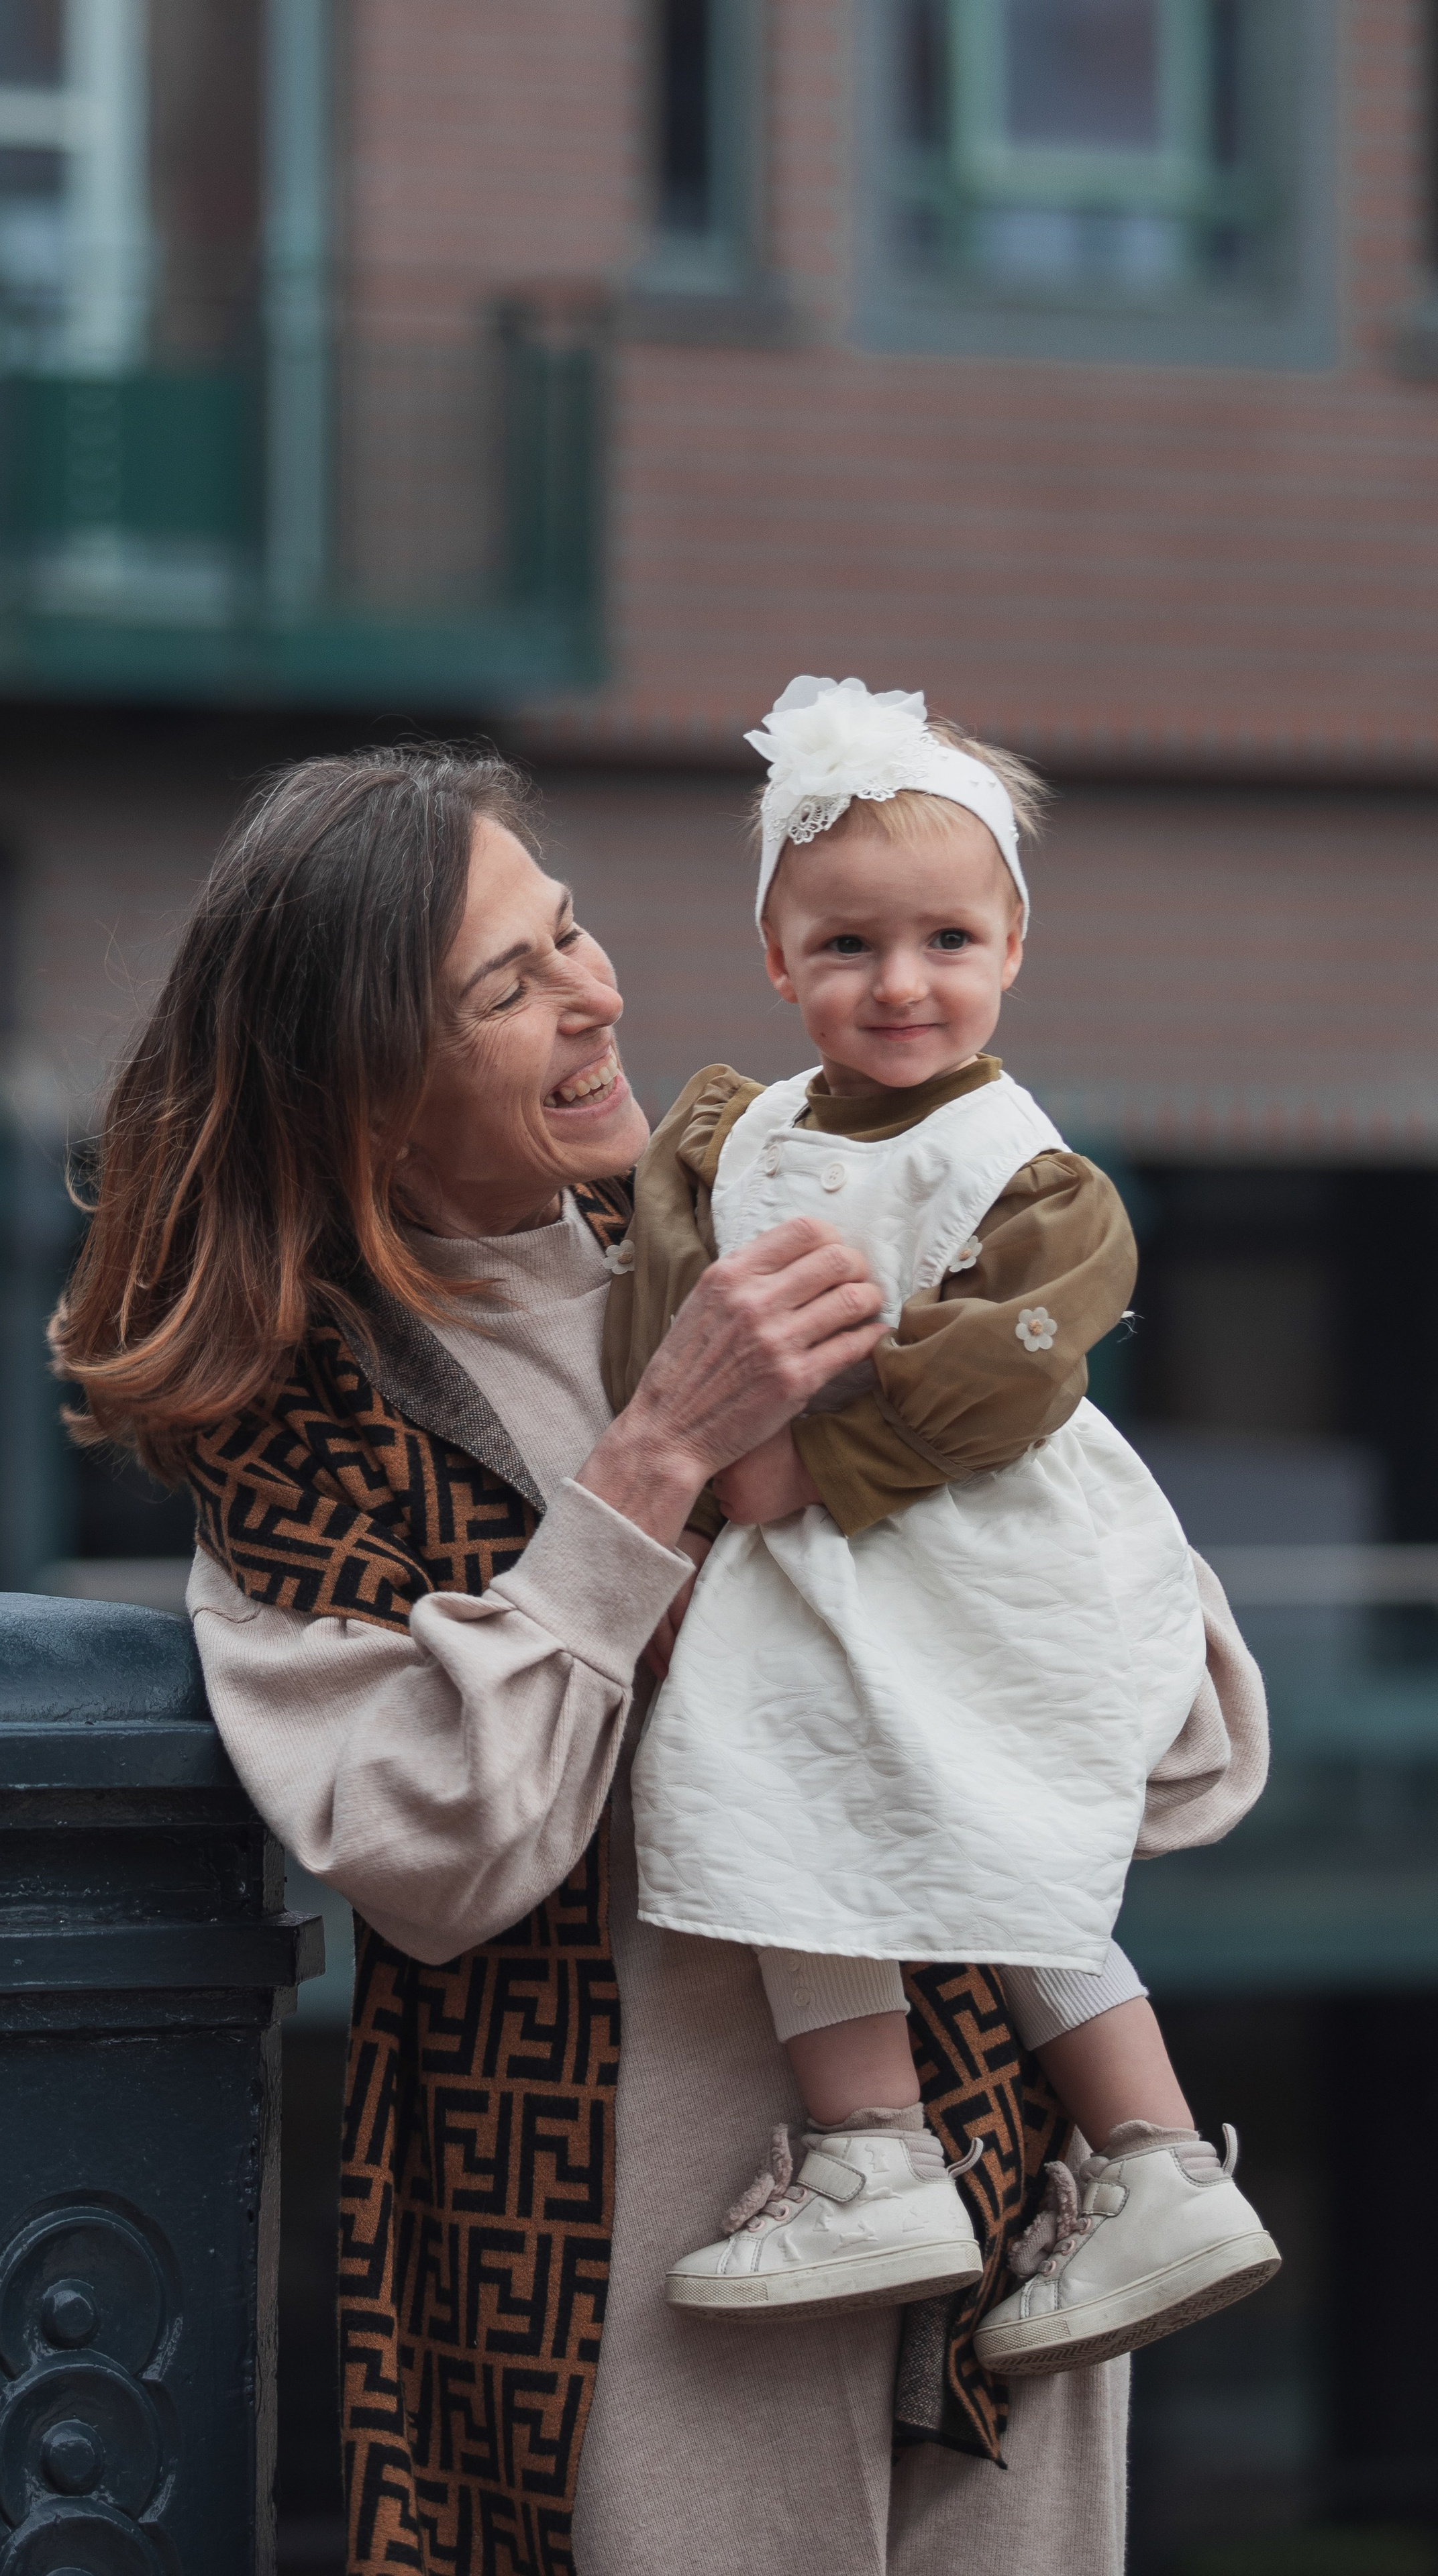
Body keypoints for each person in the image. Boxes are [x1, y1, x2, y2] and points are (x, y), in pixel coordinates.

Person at [52, 742, 1268, 2576]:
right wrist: (649, 1475)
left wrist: (947, 1527)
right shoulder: (299, 1426)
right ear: (369, 1093)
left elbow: (1185, 1758)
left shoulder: (782, 1217)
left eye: (573, 930)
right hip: (630, 2280)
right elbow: (446, 1855)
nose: (597, 991)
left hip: (1007, 2231)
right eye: (509, 982)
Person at [607, 675, 1278, 2373]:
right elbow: (666, 1308)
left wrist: (790, 1468)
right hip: (815, 1569)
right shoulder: (729, 1135)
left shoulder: (1026, 1168)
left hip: (973, 1539)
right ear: (775, 961)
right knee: (783, 1787)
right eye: (843, 947)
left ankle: (1148, 2162)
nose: (897, 983)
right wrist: (724, 1442)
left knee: (998, 1823)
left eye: (943, 942)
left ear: (1009, 951)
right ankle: (873, 2149)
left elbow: (1009, 1375)